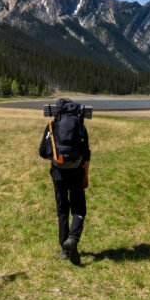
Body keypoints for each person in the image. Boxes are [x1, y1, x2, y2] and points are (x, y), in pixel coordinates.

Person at [38, 98, 90, 266]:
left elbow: (42, 152)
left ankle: (64, 250)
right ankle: (73, 238)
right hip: (76, 172)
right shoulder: (81, 128)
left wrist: (56, 158)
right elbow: (86, 156)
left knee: (62, 209)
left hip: (58, 173)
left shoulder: (52, 127)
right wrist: (86, 176)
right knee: (79, 208)